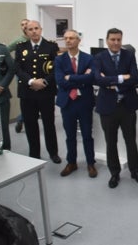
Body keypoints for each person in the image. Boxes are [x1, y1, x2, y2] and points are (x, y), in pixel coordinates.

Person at [94, 28, 138, 188]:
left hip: (127, 106)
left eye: (119, 40)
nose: (116, 43)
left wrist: (111, 83)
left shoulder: (128, 55)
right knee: (111, 142)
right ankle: (114, 173)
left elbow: (135, 78)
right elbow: (97, 79)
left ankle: (135, 170)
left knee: (131, 141)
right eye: (113, 40)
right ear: (107, 40)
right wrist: (121, 78)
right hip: (107, 108)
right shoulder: (99, 57)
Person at [15, 20, 61, 162]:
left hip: (45, 92)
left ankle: (53, 153)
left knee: (49, 123)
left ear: (41, 29)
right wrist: (31, 81)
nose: (34, 31)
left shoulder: (51, 46)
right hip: (27, 92)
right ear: (26, 32)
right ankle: (34, 154)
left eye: (36, 28)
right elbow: (17, 68)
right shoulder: (21, 47)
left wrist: (45, 81)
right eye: (30, 29)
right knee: (30, 124)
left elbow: (56, 68)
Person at [55, 29, 97, 178]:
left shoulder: (89, 58)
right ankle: (71, 162)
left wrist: (70, 78)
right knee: (70, 135)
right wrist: (80, 78)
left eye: (71, 38)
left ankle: (90, 163)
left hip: (84, 102)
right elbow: (60, 81)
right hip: (68, 103)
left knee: (87, 135)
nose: (68, 41)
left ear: (78, 41)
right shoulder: (59, 60)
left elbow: (91, 79)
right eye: (65, 38)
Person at [0, 28, 15, 150]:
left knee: (3, 127)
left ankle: (7, 152)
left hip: (1, 96)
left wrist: (2, 86)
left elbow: (11, 69)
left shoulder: (2, 49)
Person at [8, 18, 29, 134]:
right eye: (22, 25)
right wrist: (13, 63)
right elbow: (6, 50)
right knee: (25, 98)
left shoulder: (36, 39)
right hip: (22, 74)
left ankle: (24, 118)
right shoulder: (19, 41)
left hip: (34, 74)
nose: (24, 26)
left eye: (26, 24)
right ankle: (21, 119)